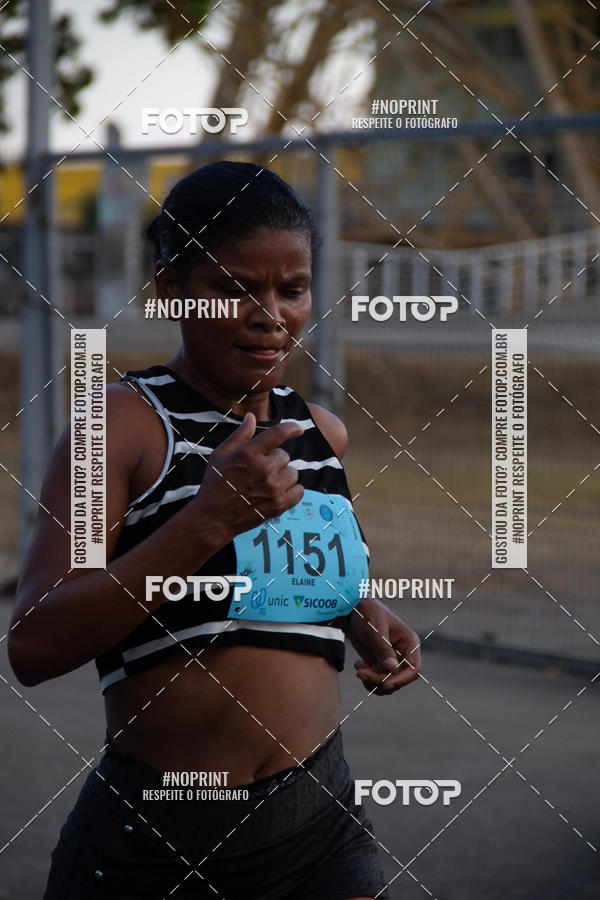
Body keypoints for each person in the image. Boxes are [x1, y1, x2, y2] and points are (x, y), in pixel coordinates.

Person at [9, 161, 421, 899]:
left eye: (291, 289)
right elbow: (36, 644)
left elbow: (294, 577)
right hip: (156, 836)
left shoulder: (320, 433)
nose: (270, 313)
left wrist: (364, 616)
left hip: (317, 824)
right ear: (170, 289)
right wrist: (201, 522)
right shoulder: (124, 425)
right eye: (234, 288)